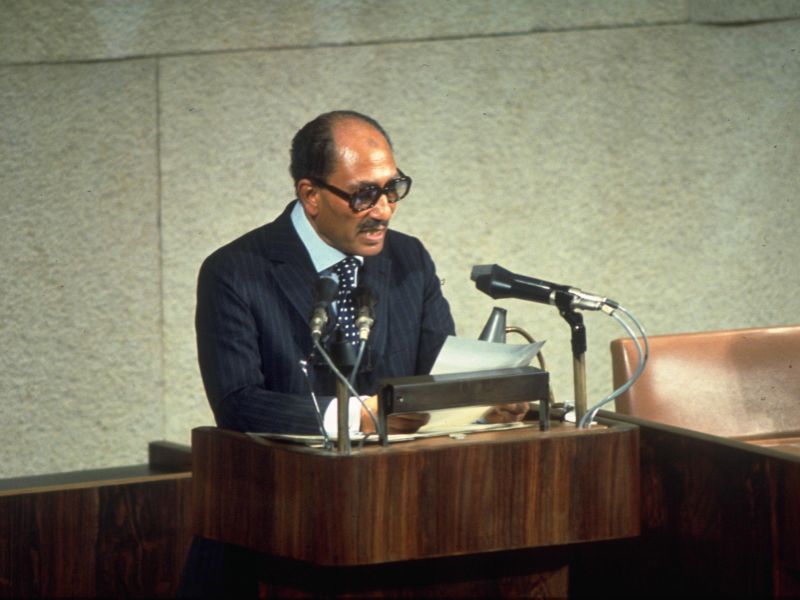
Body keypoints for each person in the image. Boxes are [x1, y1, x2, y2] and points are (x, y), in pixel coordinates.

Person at [195, 110, 461, 436]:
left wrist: (484, 403)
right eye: (364, 195)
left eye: (392, 188)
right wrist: (356, 417)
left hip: (402, 475)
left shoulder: (409, 258)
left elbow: (441, 372)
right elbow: (237, 403)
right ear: (311, 196)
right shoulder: (235, 272)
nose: (384, 210)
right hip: (292, 478)